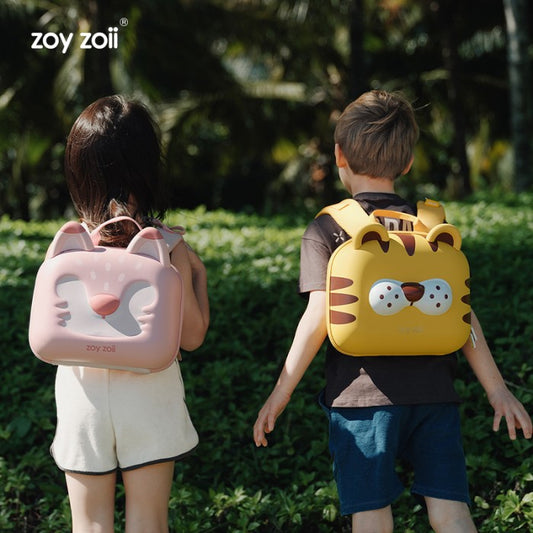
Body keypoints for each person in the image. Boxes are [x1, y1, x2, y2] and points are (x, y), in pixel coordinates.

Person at [253, 90, 532, 533]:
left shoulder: (327, 228)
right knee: (452, 513)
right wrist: (497, 390)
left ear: (339, 155)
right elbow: (462, 314)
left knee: (372, 517)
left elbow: (318, 317)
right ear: (408, 163)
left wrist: (281, 392)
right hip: (435, 395)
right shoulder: (431, 227)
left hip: (361, 400)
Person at [51, 95, 209, 533]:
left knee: (89, 524)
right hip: (149, 394)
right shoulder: (166, 246)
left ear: (78, 171)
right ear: (147, 168)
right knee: (148, 522)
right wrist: (197, 273)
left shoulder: (69, 245)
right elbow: (192, 336)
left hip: (82, 396)